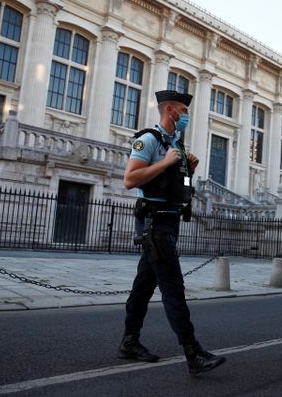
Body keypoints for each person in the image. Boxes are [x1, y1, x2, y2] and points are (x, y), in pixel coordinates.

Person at [118, 90, 226, 374]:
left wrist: (189, 169)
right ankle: (193, 352)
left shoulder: (176, 144)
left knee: (143, 287)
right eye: (183, 111)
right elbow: (130, 179)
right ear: (170, 111)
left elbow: (180, 186)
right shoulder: (148, 141)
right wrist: (166, 162)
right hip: (155, 224)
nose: (186, 116)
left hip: (169, 221)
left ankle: (129, 342)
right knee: (173, 288)